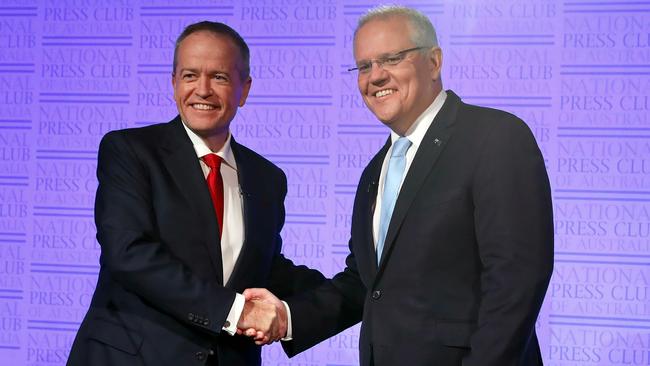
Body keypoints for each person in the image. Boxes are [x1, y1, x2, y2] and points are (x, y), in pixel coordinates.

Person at [245, 5, 554, 366]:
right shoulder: (375, 171)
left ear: (434, 62)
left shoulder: (495, 138)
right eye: (363, 66)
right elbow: (367, 284)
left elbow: (515, 282)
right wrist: (288, 317)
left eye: (391, 59)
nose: (375, 77)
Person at [67, 21, 324, 366]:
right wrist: (238, 312)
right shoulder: (130, 151)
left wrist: (365, 291)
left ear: (244, 89)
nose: (202, 90)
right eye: (190, 75)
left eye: (219, 77)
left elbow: (263, 270)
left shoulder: (268, 178)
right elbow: (129, 253)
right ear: (173, 83)